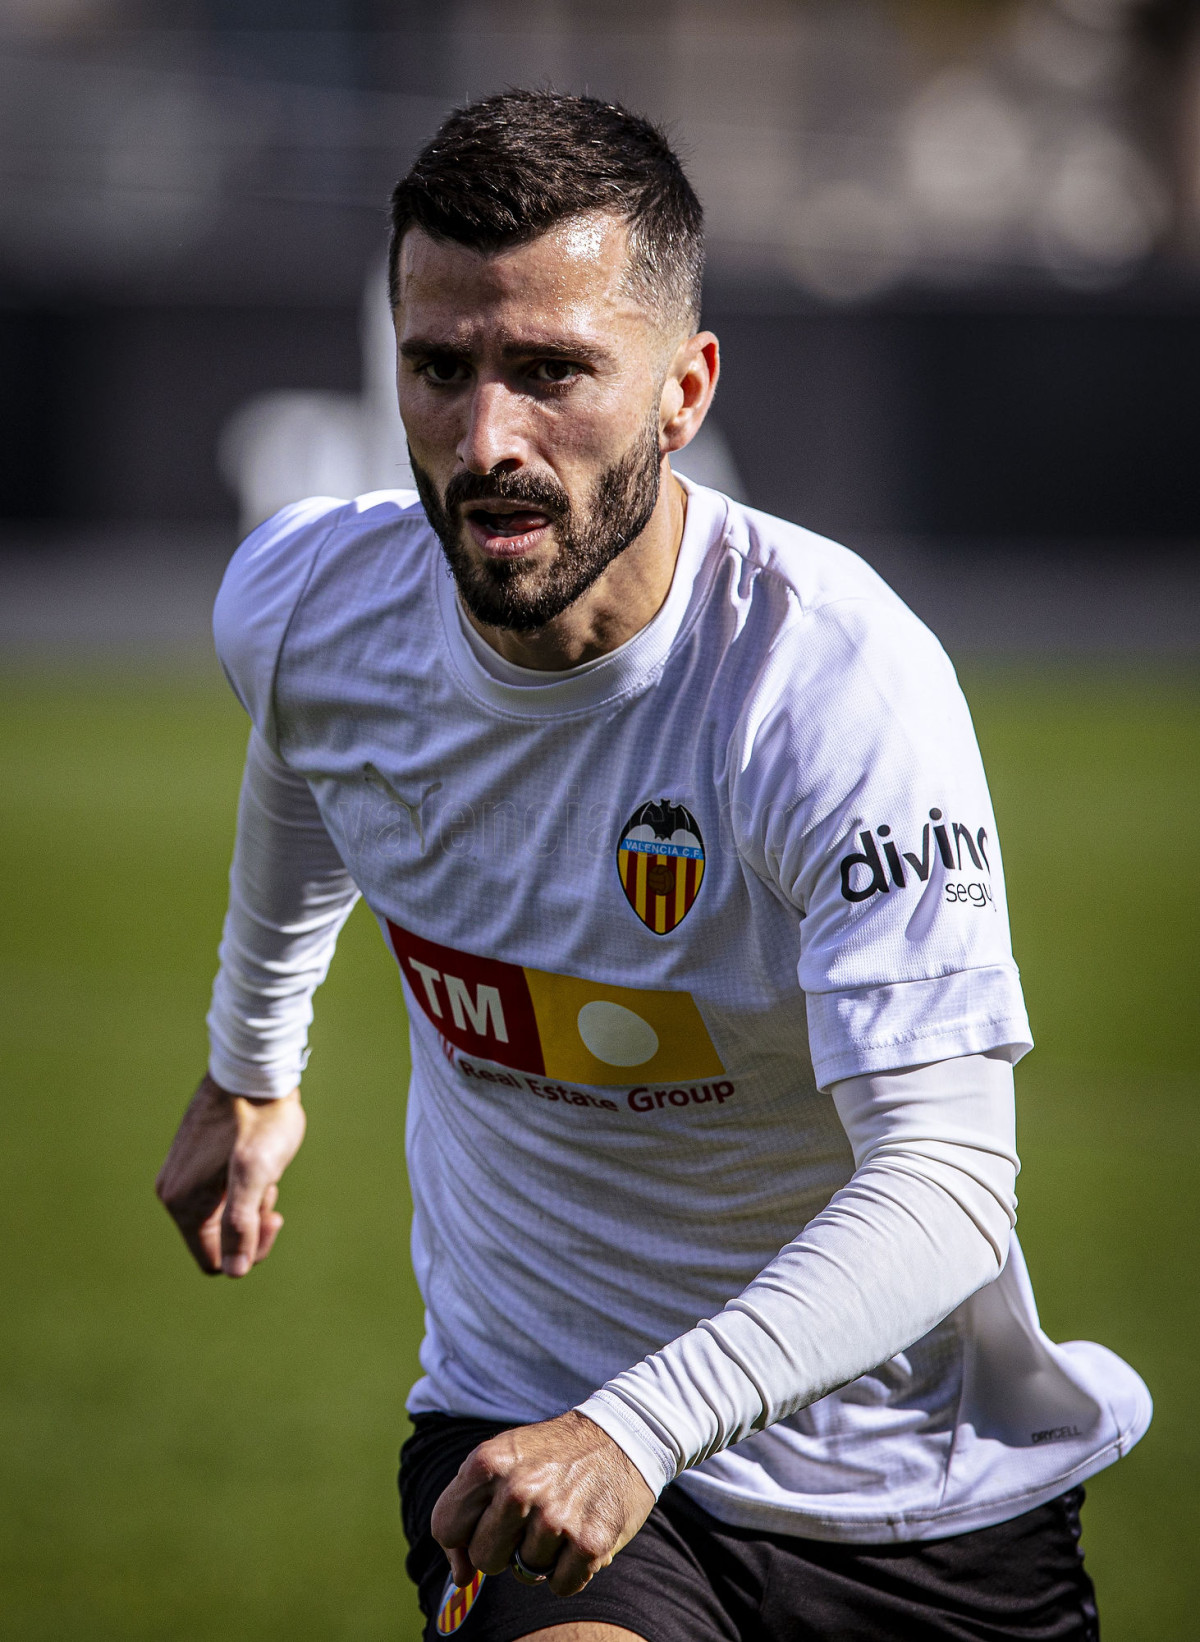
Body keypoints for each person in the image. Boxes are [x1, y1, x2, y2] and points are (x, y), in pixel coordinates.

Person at [156, 91, 1150, 1642]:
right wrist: (250, 1065)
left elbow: (948, 1179)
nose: (488, 441)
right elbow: (306, 755)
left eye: (552, 372)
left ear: (684, 391)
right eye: (440, 368)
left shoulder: (830, 685)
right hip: (526, 1410)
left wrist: (638, 1427)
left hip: (906, 1488)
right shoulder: (301, 606)